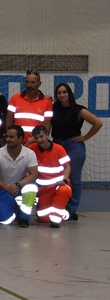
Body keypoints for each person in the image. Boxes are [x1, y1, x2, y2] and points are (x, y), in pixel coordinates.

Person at [51, 82, 102, 219]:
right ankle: (58, 205)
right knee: (57, 176)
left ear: (69, 93)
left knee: (74, 178)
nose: (62, 95)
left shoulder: (78, 110)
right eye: (59, 93)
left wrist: (85, 137)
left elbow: (98, 123)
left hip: (73, 146)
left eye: (64, 92)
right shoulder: (54, 107)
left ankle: (71, 209)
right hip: (57, 145)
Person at [0, 125, 38, 227]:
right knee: (3, 220)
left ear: (20, 139)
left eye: (11, 137)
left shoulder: (29, 154)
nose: (7, 139)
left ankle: (24, 218)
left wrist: (18, 184)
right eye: (7, 136)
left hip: (20, 187)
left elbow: (34, 175)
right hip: (4, 188)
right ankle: (15, 207)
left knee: (31, 187)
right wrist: (7, 188)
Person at [29, 125, 72, 228]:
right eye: (36, 138)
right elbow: (22, 152)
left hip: (59, 184)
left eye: (41, 136)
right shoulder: (32, 149)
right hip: (43, 188)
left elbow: (68, 167)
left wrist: (64, 179)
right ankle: (64, 214)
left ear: (47, 135)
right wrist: (28, 142)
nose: (39, 140)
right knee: (43, 218)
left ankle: (56, 220)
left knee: (63, 191)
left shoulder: (59, 148)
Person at [7, 70, 53, 144]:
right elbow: (9, 120)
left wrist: (39, 139)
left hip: (36, 143)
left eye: (32, 82)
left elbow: (47, 124)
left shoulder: (47, 101)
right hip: (18, 143)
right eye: (27, 82)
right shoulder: (15, 98)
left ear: (39, 83)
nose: (29, 85)